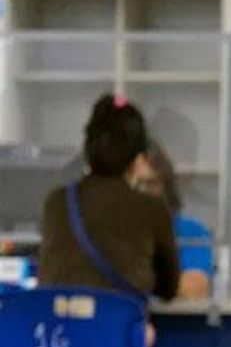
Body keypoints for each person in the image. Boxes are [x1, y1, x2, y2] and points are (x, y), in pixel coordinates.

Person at [39, 94, 180, 304]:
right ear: (138, 157)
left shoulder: (56, 202)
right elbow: (168, 289)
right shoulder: (152, 210)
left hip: (57, 324)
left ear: (88, 147)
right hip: (116, 324)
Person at [133, 139, 213, 300]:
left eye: (150, 183)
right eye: (135, 184)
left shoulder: (190, 232)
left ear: (165, 185)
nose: (143, 192)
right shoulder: (103, 232)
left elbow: (194, 288)